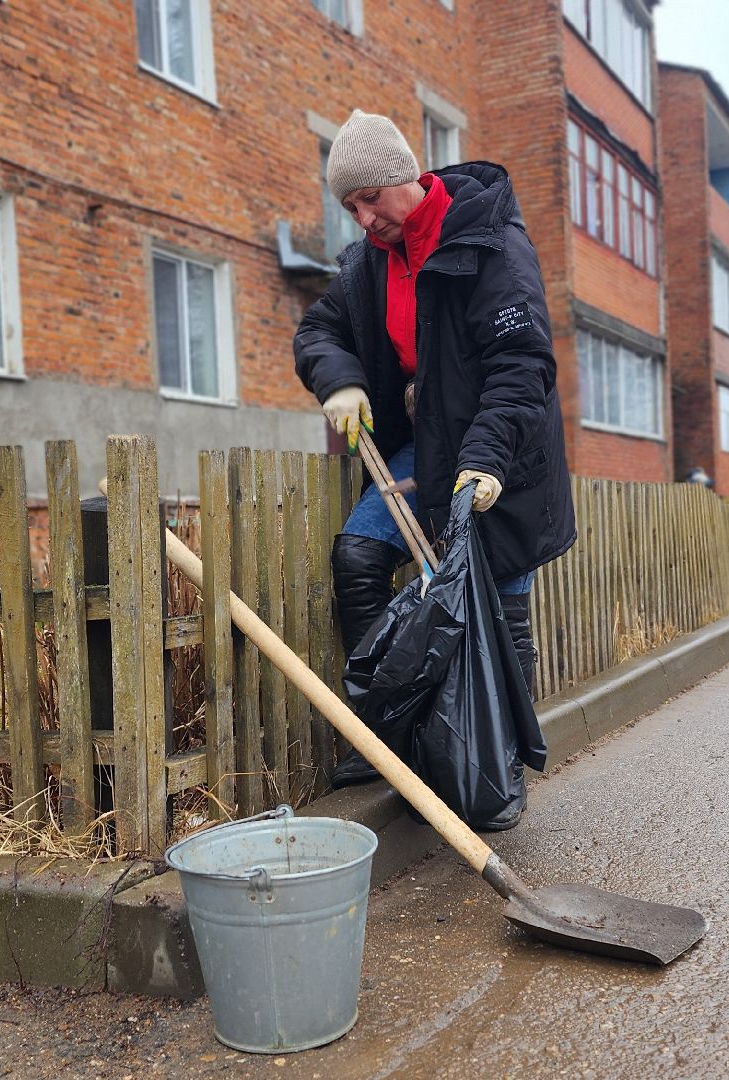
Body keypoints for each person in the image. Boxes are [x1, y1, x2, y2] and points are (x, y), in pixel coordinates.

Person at [294, 110, 575, 828]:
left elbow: (523, 366)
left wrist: (483, 462)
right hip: (427, 439)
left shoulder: (488, 241)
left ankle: (500, 761)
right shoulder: (366, 265)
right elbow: (319, 327)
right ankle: (383, 735)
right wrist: (342, 381)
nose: (362, 220)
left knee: (497, 599)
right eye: (348, 207)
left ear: (404, 177)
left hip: (501, 442)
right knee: (358, 555)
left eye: (368, 200)